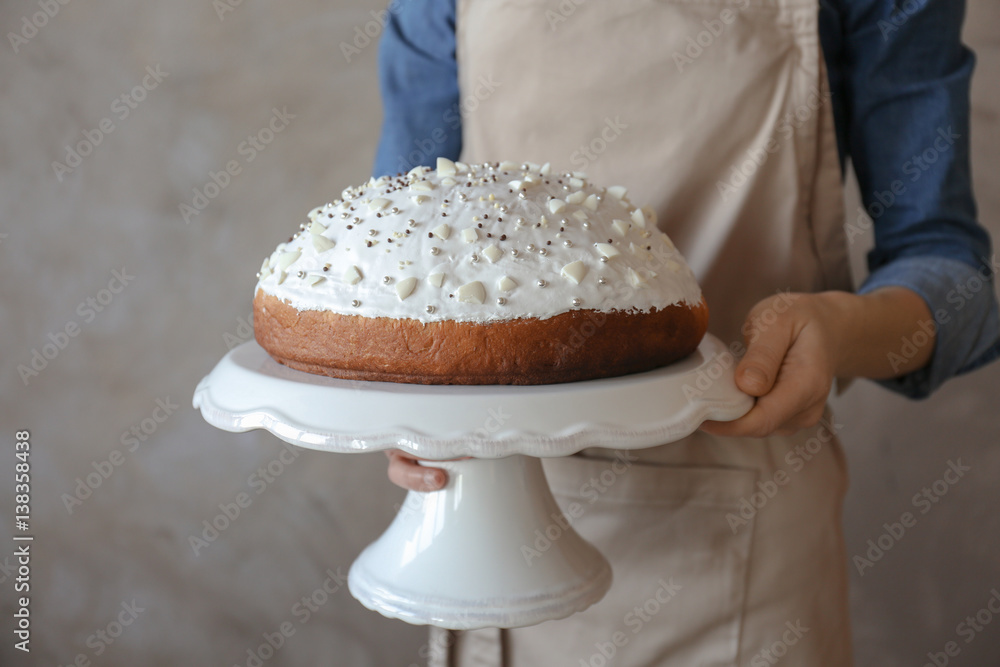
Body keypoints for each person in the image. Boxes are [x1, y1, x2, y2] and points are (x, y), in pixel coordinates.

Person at [372, 0, 1000, 664]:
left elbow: (950, 269)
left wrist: (841, 328)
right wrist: (403, 401)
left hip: (745, 559)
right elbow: (400, 246)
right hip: (486, 529)